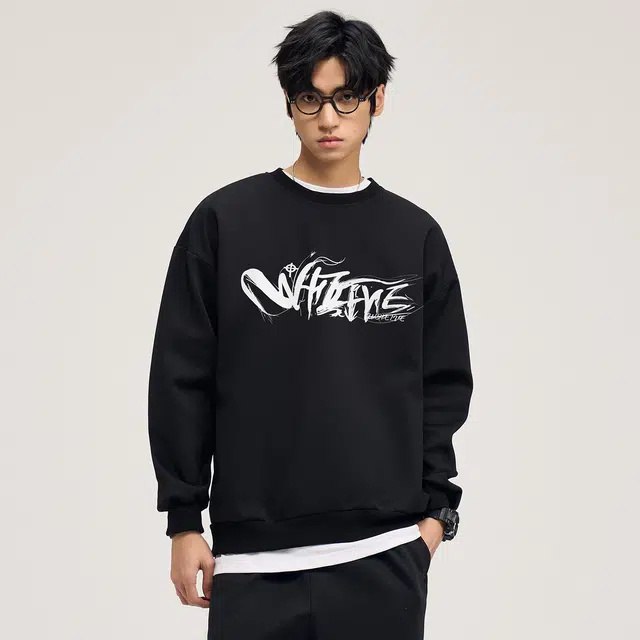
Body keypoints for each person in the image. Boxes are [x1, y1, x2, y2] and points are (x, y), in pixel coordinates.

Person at [147, 9, 473, 640]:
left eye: (346, 98)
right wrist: (183, 520)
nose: (328, 118)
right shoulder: (225, 222)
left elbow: (443, 383)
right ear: (288, 102)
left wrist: (435, 518)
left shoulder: (414, 236)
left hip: (383, 550)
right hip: (252, 559)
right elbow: (180, 377)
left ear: (377, 100)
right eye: (310, 98)